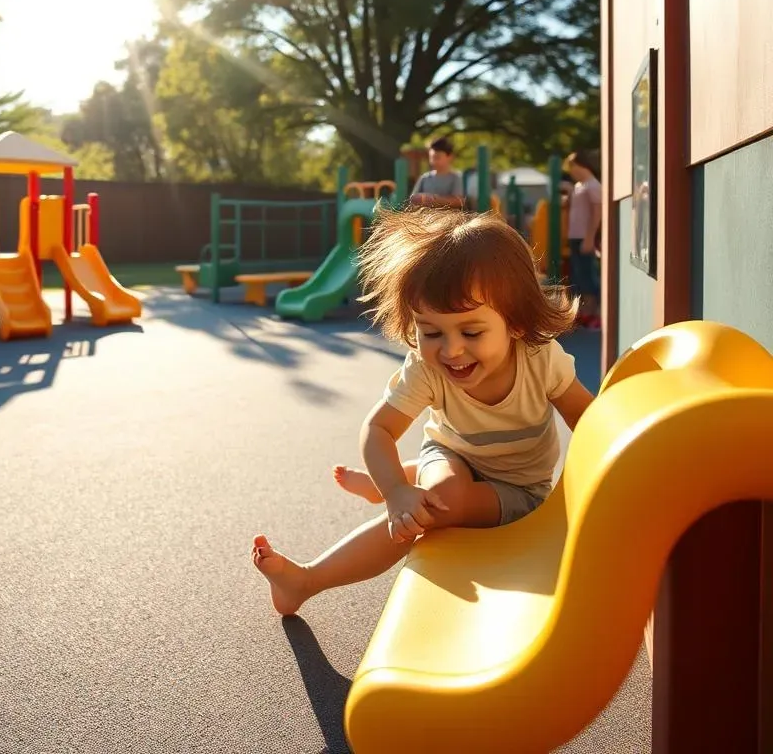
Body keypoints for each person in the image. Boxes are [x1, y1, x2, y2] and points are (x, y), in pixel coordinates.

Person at [251, 207, 595, 616]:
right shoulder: (427, 368)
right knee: (431, 502)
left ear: (516, 323)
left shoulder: (540, 360)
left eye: (471, 332)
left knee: (441, 502)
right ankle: (307, 579)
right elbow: (378, 428)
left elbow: (588, 421)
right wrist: (398, 494)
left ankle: (391, 483)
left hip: (519, 490)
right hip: (451, 453)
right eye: (431, 332)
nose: (451, 350)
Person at [564, 151, 602, 330]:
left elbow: (597, 212)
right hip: (575, 236)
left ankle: (593, 313)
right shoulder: (579, 186)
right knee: (579, 275)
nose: (571, 171)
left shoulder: (593, 185)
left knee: (588, 276)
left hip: (583, 237)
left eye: (572, 167)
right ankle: (585, 312)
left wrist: (589, 237)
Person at [409, 136, 464, 209]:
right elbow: (412, 199)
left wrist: (434, 199)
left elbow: (459, 201)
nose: (433, 161)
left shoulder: (456, 177)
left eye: (437, 157)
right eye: (431, 158)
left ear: (450, 157)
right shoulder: (425, 178)